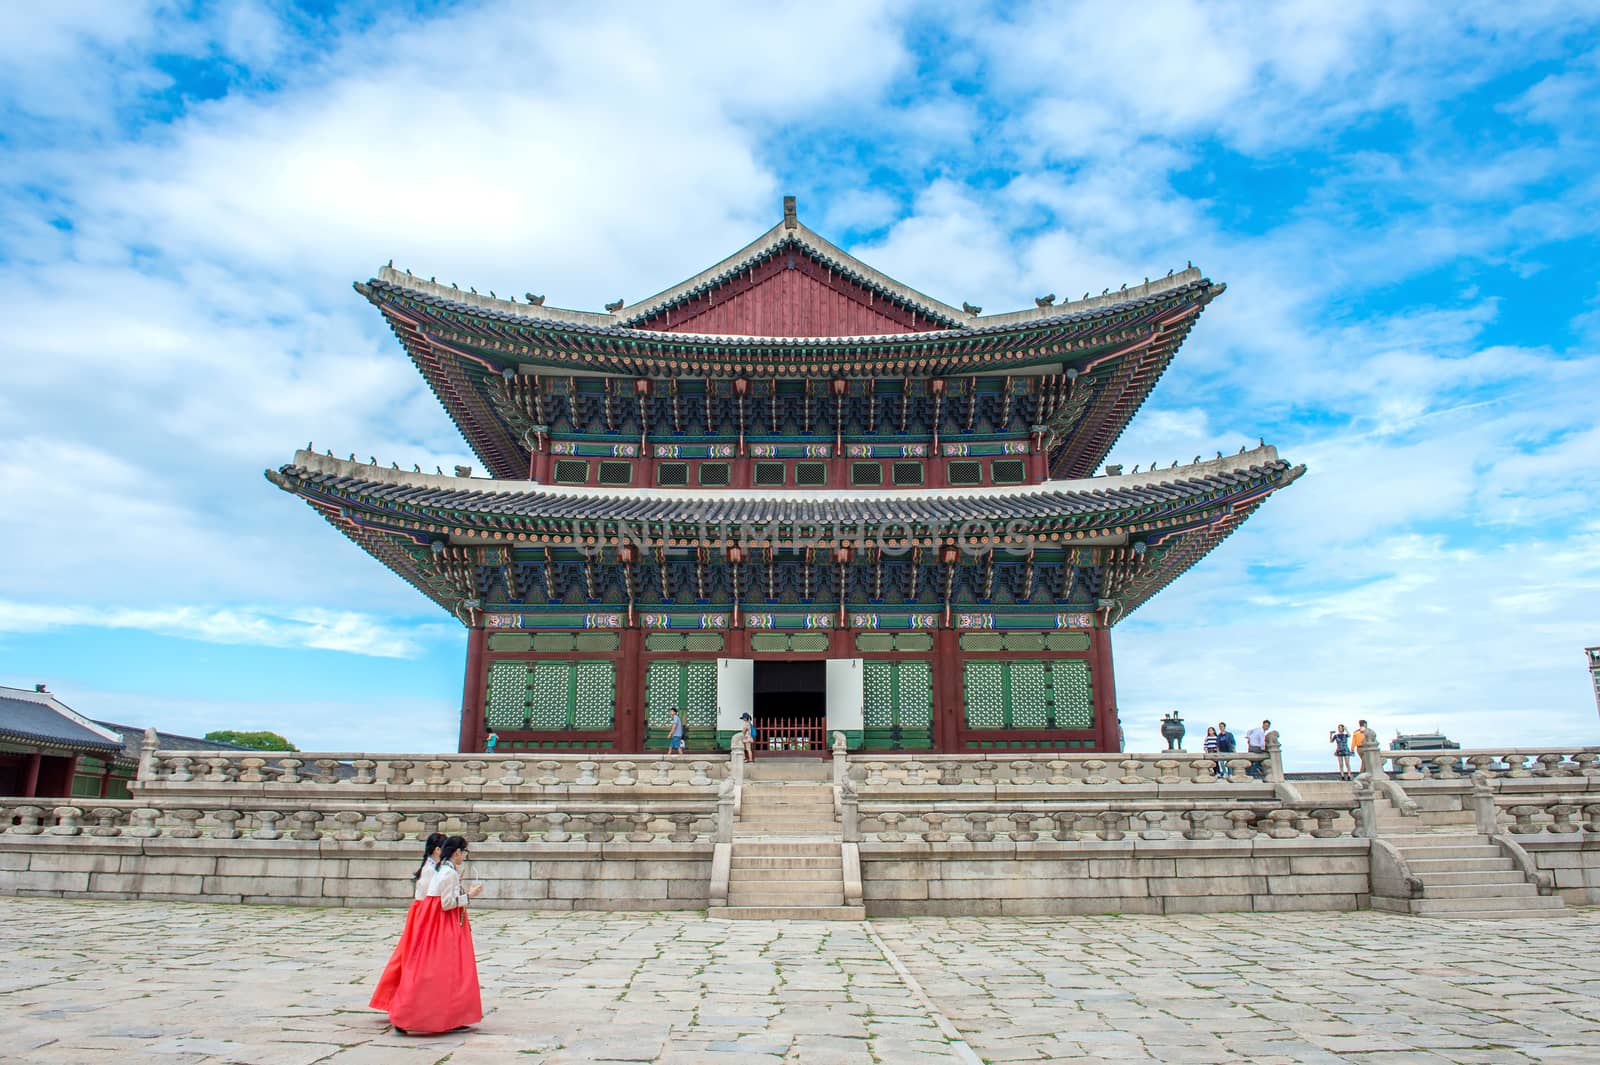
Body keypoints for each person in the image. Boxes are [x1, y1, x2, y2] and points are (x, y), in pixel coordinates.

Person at [384, 835, 484, 1035]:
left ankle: (453, 1015)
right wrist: (470, 895)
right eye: (464, 852)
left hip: (440, 923)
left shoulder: (444, 870)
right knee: (441, 971)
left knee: (449, 972)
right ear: (457, 852)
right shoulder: (448, 873)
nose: (464, 856)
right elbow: (446, 903)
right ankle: (410, 1014)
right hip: (444, 924)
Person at [369, 832, 447, 1015]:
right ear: (437, 850)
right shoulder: (430, 871)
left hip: (421, 911)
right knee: (414, 958)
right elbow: (433, 898)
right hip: (425, 913)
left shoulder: (432, 867)